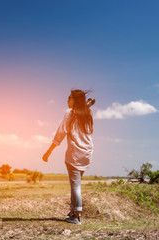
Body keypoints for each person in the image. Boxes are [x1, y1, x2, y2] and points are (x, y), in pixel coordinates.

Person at [42, 89, 95, 225]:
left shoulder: (70, 114)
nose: (67, 100)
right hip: (87, 152)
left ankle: (77, 215)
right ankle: (72, 211)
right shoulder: (87, 113)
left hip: (75, 153)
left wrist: (49, 151)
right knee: (76, 183)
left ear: (75, 101)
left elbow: (61, 133)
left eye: (69, 98)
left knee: (75, 186)